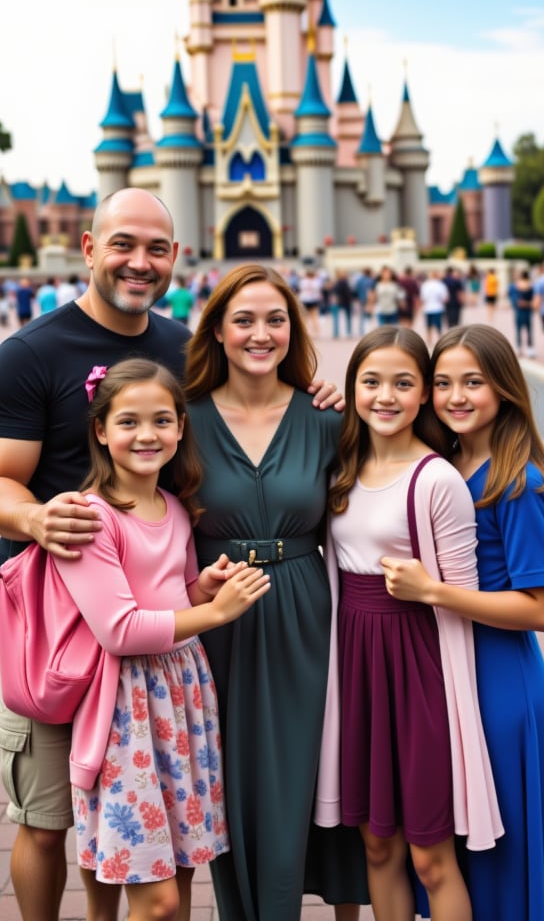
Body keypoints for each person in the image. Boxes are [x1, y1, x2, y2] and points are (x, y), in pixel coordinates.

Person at [0, 188, 339, 921]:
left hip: (160, 626)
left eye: (156, 248)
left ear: (175, 258)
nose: (139, 263)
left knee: (155, 824)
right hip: (60, 629)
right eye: (123, 245)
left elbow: (247, 408)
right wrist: (45, 520)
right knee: (49, 820)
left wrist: (314, 390)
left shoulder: (182, 349)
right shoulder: (29, 354)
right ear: (88, 248)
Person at [184, 264, 369, 921]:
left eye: (275, 320)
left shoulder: (326, 421)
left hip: (305, 618)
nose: (260, 334)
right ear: (218, 332)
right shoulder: (184, 422)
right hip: (219, 619)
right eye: (244, 320)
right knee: (232, 778)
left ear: (293, 329)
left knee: (309, 771)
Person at [55, 358, 270, 920]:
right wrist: (216, 614)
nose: (146, 435)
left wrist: (203, 588)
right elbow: (122, 630)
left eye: (161, 421)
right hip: (125, 708)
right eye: (128, 422)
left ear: (180, 427)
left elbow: (170, 594)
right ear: (101, 430)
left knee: (178, 869)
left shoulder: (173, 507)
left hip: (182, 701)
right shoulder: (92, 519)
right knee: (158, 901)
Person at [400, 324, 544, 921]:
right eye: (443, 383)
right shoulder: (448, 462)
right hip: (451, 670)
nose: (456, 396)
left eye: (473, 382)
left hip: (500, 680)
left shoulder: (520, 482)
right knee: (461, 837)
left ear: (504, 388)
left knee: (501, 840)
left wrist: (436, 593)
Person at [324, 327, 502, 921]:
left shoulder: (436, 480)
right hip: (355, 666)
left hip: (417, 668)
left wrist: (428, 589)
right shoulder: (341, 468)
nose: (386, 396)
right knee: (377, 844)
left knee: (430, 853)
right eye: (371, 382)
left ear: (424, 393)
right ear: (352, 388)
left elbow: (464, 596)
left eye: (403, 383)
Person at [507, 268, 535, 358]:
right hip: (527, 310)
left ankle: (520, 347)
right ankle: (529, 348)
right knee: (528, 329)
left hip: (520, 310)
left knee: (519, 329)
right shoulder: (530, 285)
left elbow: (512, 298)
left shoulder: (514, 286)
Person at [419, 270, 449, 348]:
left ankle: (429, 339)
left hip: (427, 308)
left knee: (428, 325)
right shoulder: (441, 285)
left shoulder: (425, 285)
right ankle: (439, 338)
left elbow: (423, 297)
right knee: (438, 324)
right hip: (438, 307)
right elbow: (445, 298)